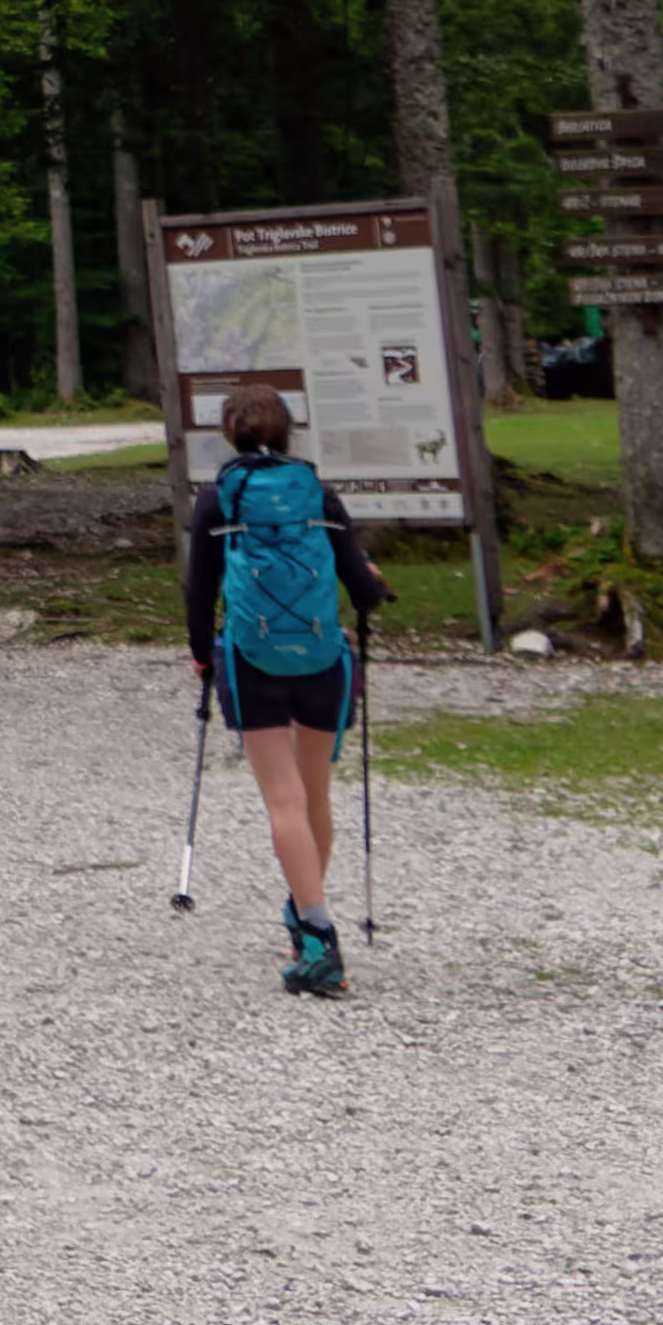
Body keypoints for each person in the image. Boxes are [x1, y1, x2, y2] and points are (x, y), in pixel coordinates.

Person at [183, 383, 390, 996]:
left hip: (251, 659)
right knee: (314, 795)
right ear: (287, 430)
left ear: (230, 432)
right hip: (323, 659)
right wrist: (375, 582)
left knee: (283, 801)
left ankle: (317, 935)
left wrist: (201, 657)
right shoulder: (319, 495)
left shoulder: (216, 500)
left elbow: (200, 589)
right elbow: (362, 587)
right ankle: (306, 915)